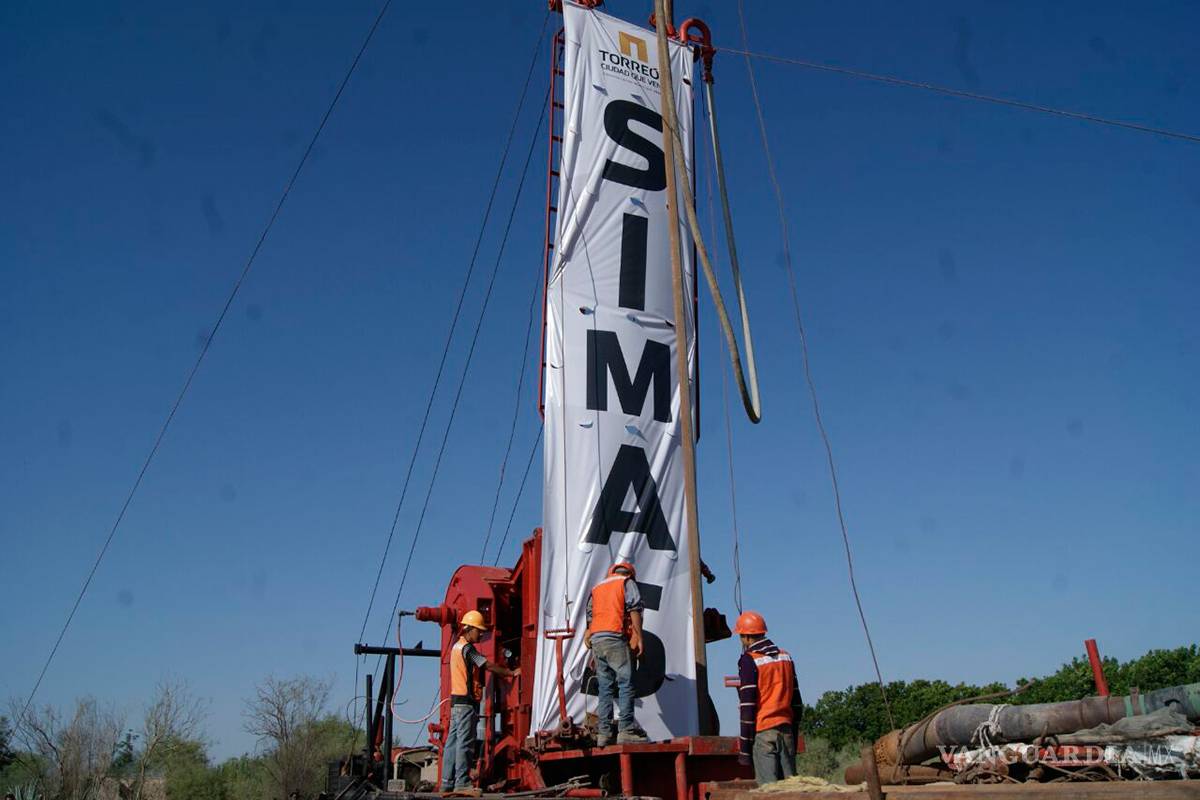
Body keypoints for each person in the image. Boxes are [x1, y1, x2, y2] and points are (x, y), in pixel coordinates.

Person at [439, 610, 519, 793]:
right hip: (466, 703)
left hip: (456, 702)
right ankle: (462, 783)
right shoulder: (468, 649)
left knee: (452, 742)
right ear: (469, 629)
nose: (481, 634)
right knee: (465, 743)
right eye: (479, 630)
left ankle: (446, 782)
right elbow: (487, 665)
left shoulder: (456, 647)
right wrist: (511, 673)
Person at [583, 561, 649, 746]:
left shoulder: (598, 587)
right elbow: (634, 608)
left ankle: (604, 733)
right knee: (626, 682)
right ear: (630, 574)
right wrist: (639, 636)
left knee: (605, 687)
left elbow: (590, 614)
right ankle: (626, 730)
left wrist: (591, 633)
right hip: (614, 636)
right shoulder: (626, 583)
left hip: (597, 639)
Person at [734, 611, 802, 785]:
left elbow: (748, 707)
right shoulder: (785, 657)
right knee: (791, 790)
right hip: (786, 732)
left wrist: (745, 750)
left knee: (768, 791)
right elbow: (797, 703)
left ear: (747, 637)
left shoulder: (749, 660)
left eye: (741, 637)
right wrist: (793, 736)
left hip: (764, 733)